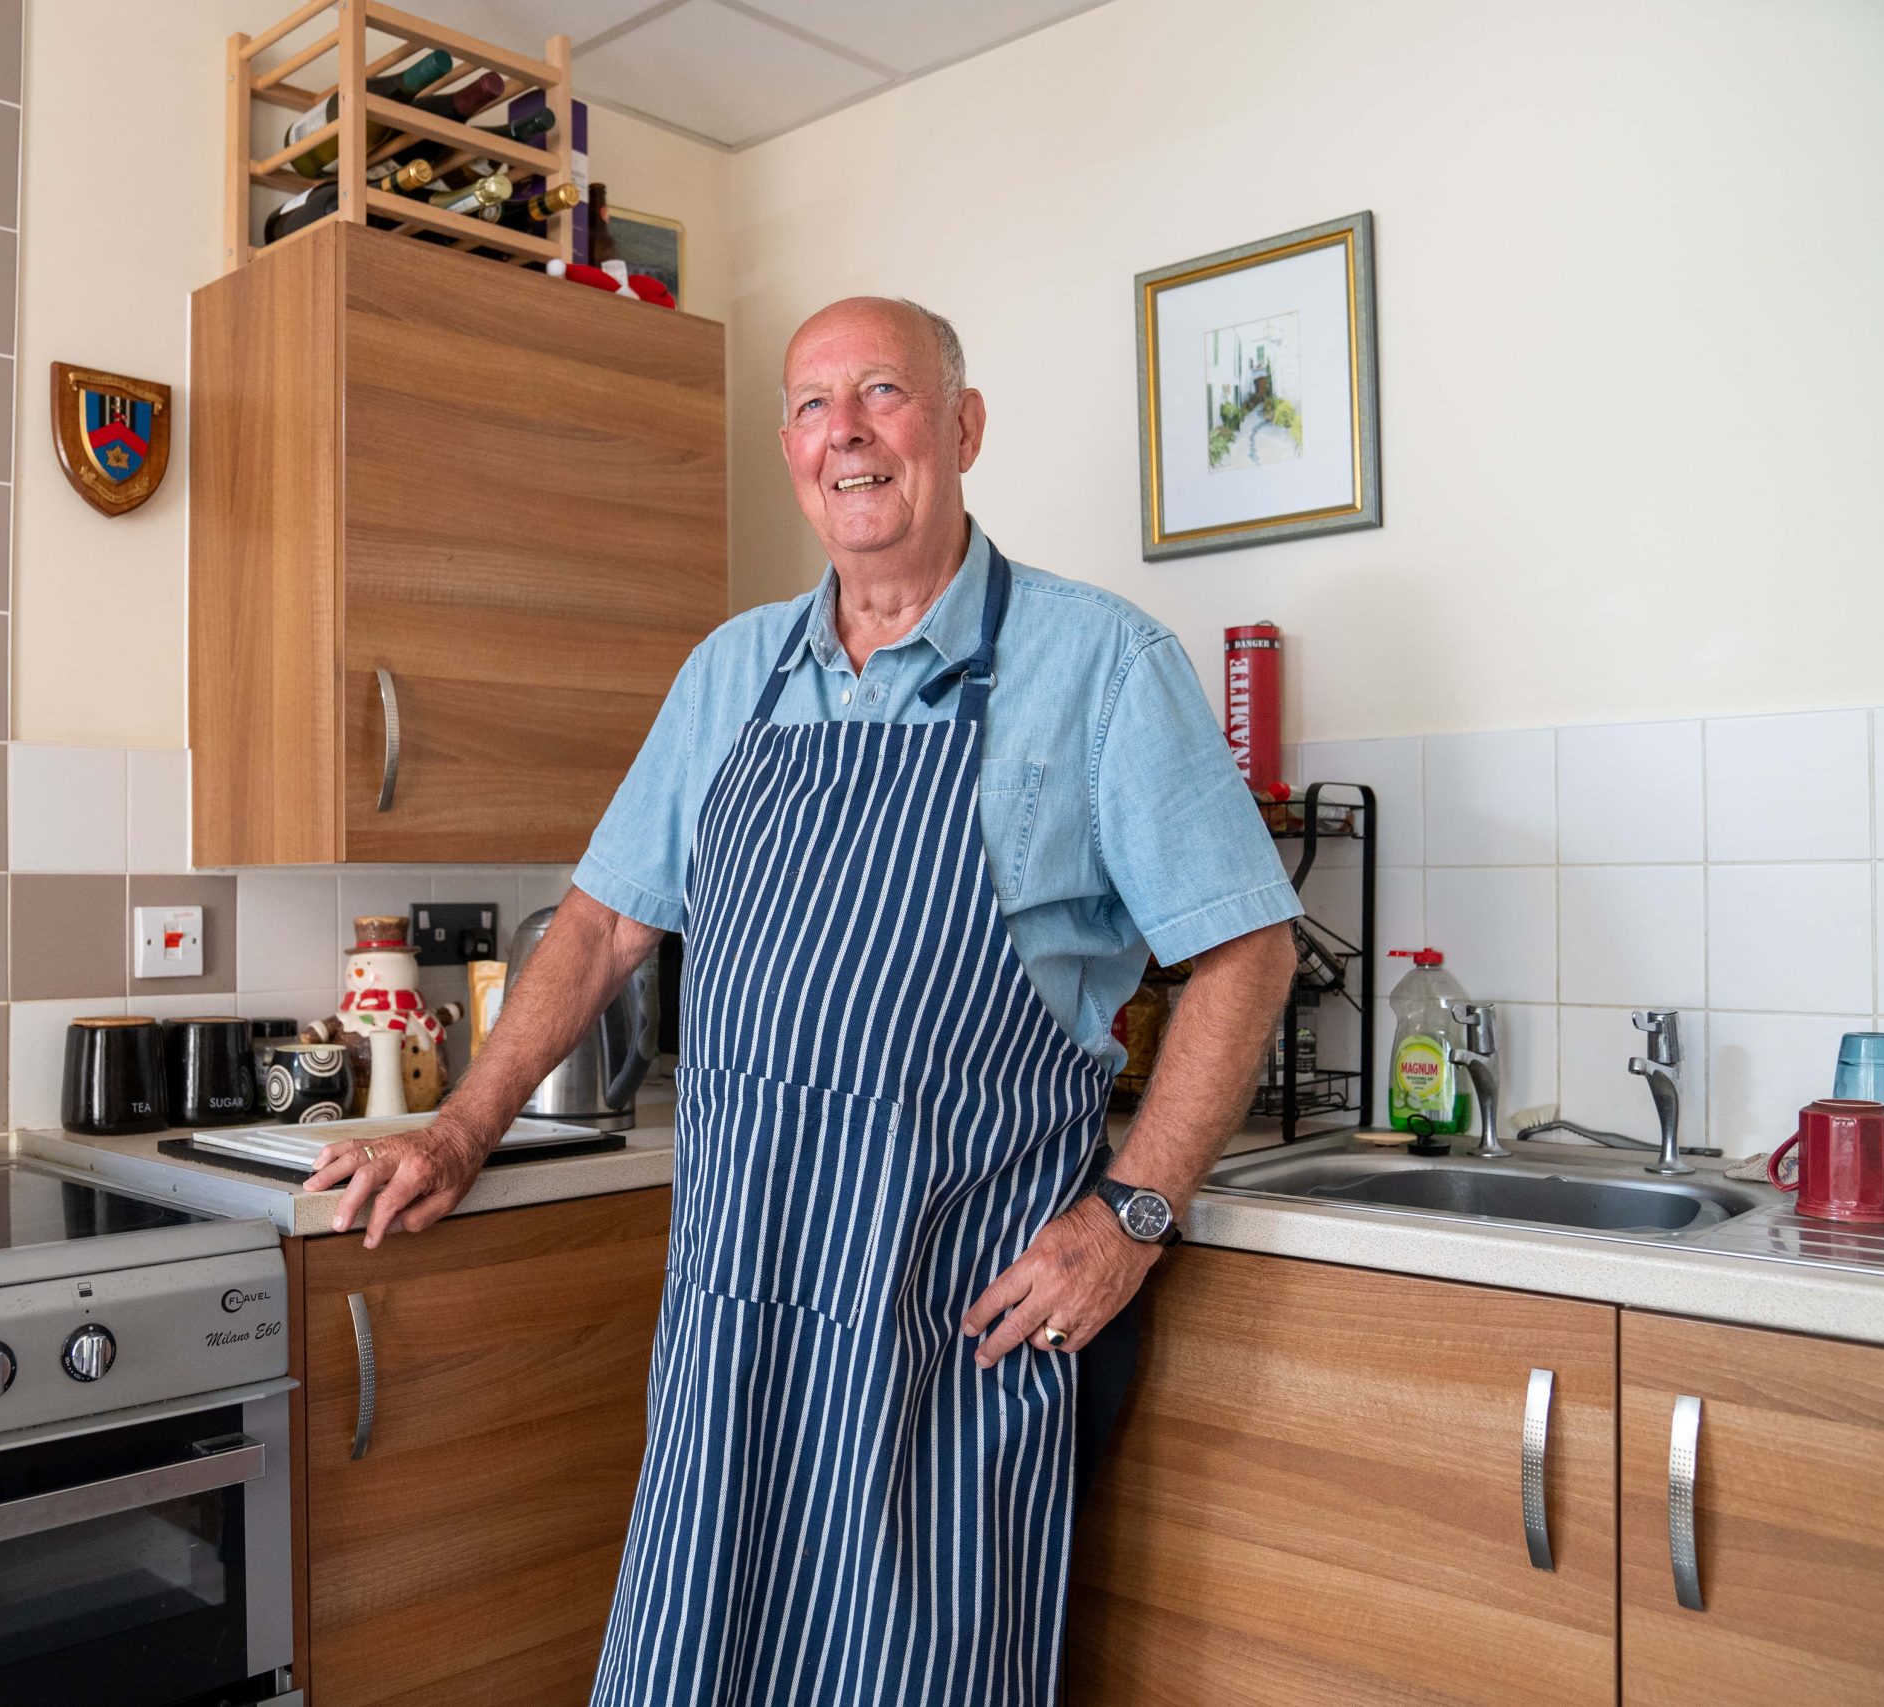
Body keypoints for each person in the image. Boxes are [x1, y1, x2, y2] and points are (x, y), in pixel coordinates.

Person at [304, 296, 1301, 1703]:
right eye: (813, 404)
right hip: (744, 1303)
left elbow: (1247, 948)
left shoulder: (1100, 665)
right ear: (789, 448)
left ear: (959, 428)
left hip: (952, 1320)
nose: (846, 431)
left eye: (884, 393)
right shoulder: (733, 674)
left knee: (914, 1667)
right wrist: (462, 1125)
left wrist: (1134, 1212)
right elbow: (597, 929)